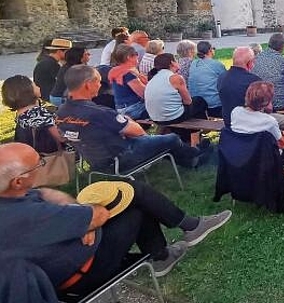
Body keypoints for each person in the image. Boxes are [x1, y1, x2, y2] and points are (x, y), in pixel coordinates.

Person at [0, 142, 232, 290]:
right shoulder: (30, 214)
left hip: (54, 268)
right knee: (136, 199)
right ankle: (177, 241)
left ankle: (174, 243)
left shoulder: (12, 196)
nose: (42, 165)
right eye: (37, 164)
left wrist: (82, 220)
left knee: (134, 194)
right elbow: (98, 214)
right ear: (18, 181)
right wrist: (87, 220)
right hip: (83, 272)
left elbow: (43, 193)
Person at [57, 65, 202, 172]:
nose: (100, 85)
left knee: (158, 142)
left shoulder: (60, 113)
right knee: (172, 139)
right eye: (99, 82)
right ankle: (195, 158)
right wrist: (128, 123)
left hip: (96, 163)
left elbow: (64, 136)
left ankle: (189, 155)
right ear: (88, 85)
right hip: (122, 158)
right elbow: (137, 131)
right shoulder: (98, 113)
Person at [230, 81, 284, 165]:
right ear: (267, 101)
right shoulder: (269, 121)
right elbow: (283, 145)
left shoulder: (236, 112)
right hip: (267, 159)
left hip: (242, 155)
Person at [2, 76, 66, 156]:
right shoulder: (39, 113)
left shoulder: (21, 113)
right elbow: (60, 138)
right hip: (49, 157)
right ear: (28, 92)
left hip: (31, 155)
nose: (39, 87)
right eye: (35, 85)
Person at [145, 53, 208, 125]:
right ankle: (199, 130)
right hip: (173, 117)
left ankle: (191, 133)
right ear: (172, 63)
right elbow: (188, 101)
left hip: (155, 118)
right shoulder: (175, 78)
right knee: (199, 101)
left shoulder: (153, 78)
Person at [108, 44, 149, 120]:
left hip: (122, 108)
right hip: (132, 109)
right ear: (129, 57)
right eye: (136, 54)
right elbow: (145, 94)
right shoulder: (128, 73)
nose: (138, 56)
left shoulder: (116, 70)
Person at [188, 41, 227, 118]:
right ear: (210, 50)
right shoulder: (216, 65)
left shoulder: (193, 63)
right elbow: (226, 81)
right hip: (213, 106)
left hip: (196, 105)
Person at [251, 33, 284, 111]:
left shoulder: (257, 58)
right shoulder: (282, 60)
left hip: (260, 101)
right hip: (279, 102)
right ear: (282, 46)